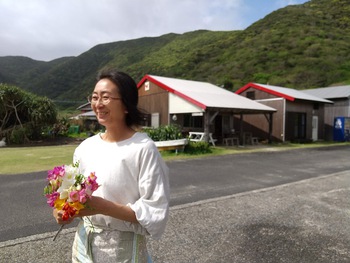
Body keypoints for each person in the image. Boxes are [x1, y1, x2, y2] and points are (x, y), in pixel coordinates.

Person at [53, 69, 170, 263]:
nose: (98, 104)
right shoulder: (85, 147)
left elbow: (155, 211)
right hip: (83, 244)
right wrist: (61, 210)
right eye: (94, 97)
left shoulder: (143, 148)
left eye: (106, 98)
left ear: (126, 105)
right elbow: (70, 191)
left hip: (122, 249)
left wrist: (101, 206)